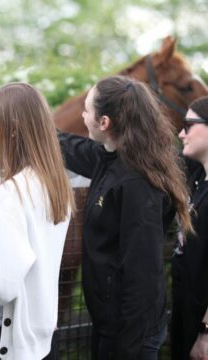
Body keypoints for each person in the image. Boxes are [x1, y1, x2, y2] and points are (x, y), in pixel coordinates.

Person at [58, 75, 192, 360]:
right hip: (110, 324)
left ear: (104, 123)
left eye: (87, 110)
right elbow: (73, 148)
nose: (82, 115)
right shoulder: (112, 158)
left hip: (129, 335)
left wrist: (128, 349)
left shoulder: (135, 183)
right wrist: (26, 123)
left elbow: (143, 274)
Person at [0, 82, 76, 359]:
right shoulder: (53, 185)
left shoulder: (13, 194)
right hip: (39, 340)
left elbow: (0, 289)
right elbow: (8, 194)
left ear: (13, 128)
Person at [171, 96, 208, 360]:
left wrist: (206, 332)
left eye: (188, 124)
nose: (181, 132)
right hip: (185, 313)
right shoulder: (197, 178)